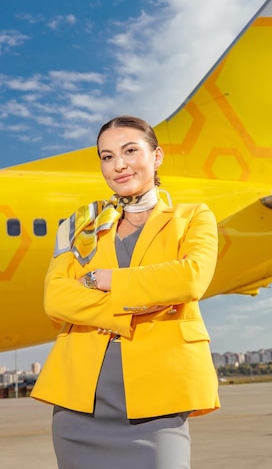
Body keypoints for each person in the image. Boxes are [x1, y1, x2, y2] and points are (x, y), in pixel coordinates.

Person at [31, 115, 220, 469]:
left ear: (156, 156)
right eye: (106, 156)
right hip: (79, 403)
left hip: (159, 395)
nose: (118, 164)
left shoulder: (192, 217)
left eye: (130, 150)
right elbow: (55, 298)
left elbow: (190, 279)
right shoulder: (80, 226)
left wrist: (105, 280)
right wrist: (143, 299)